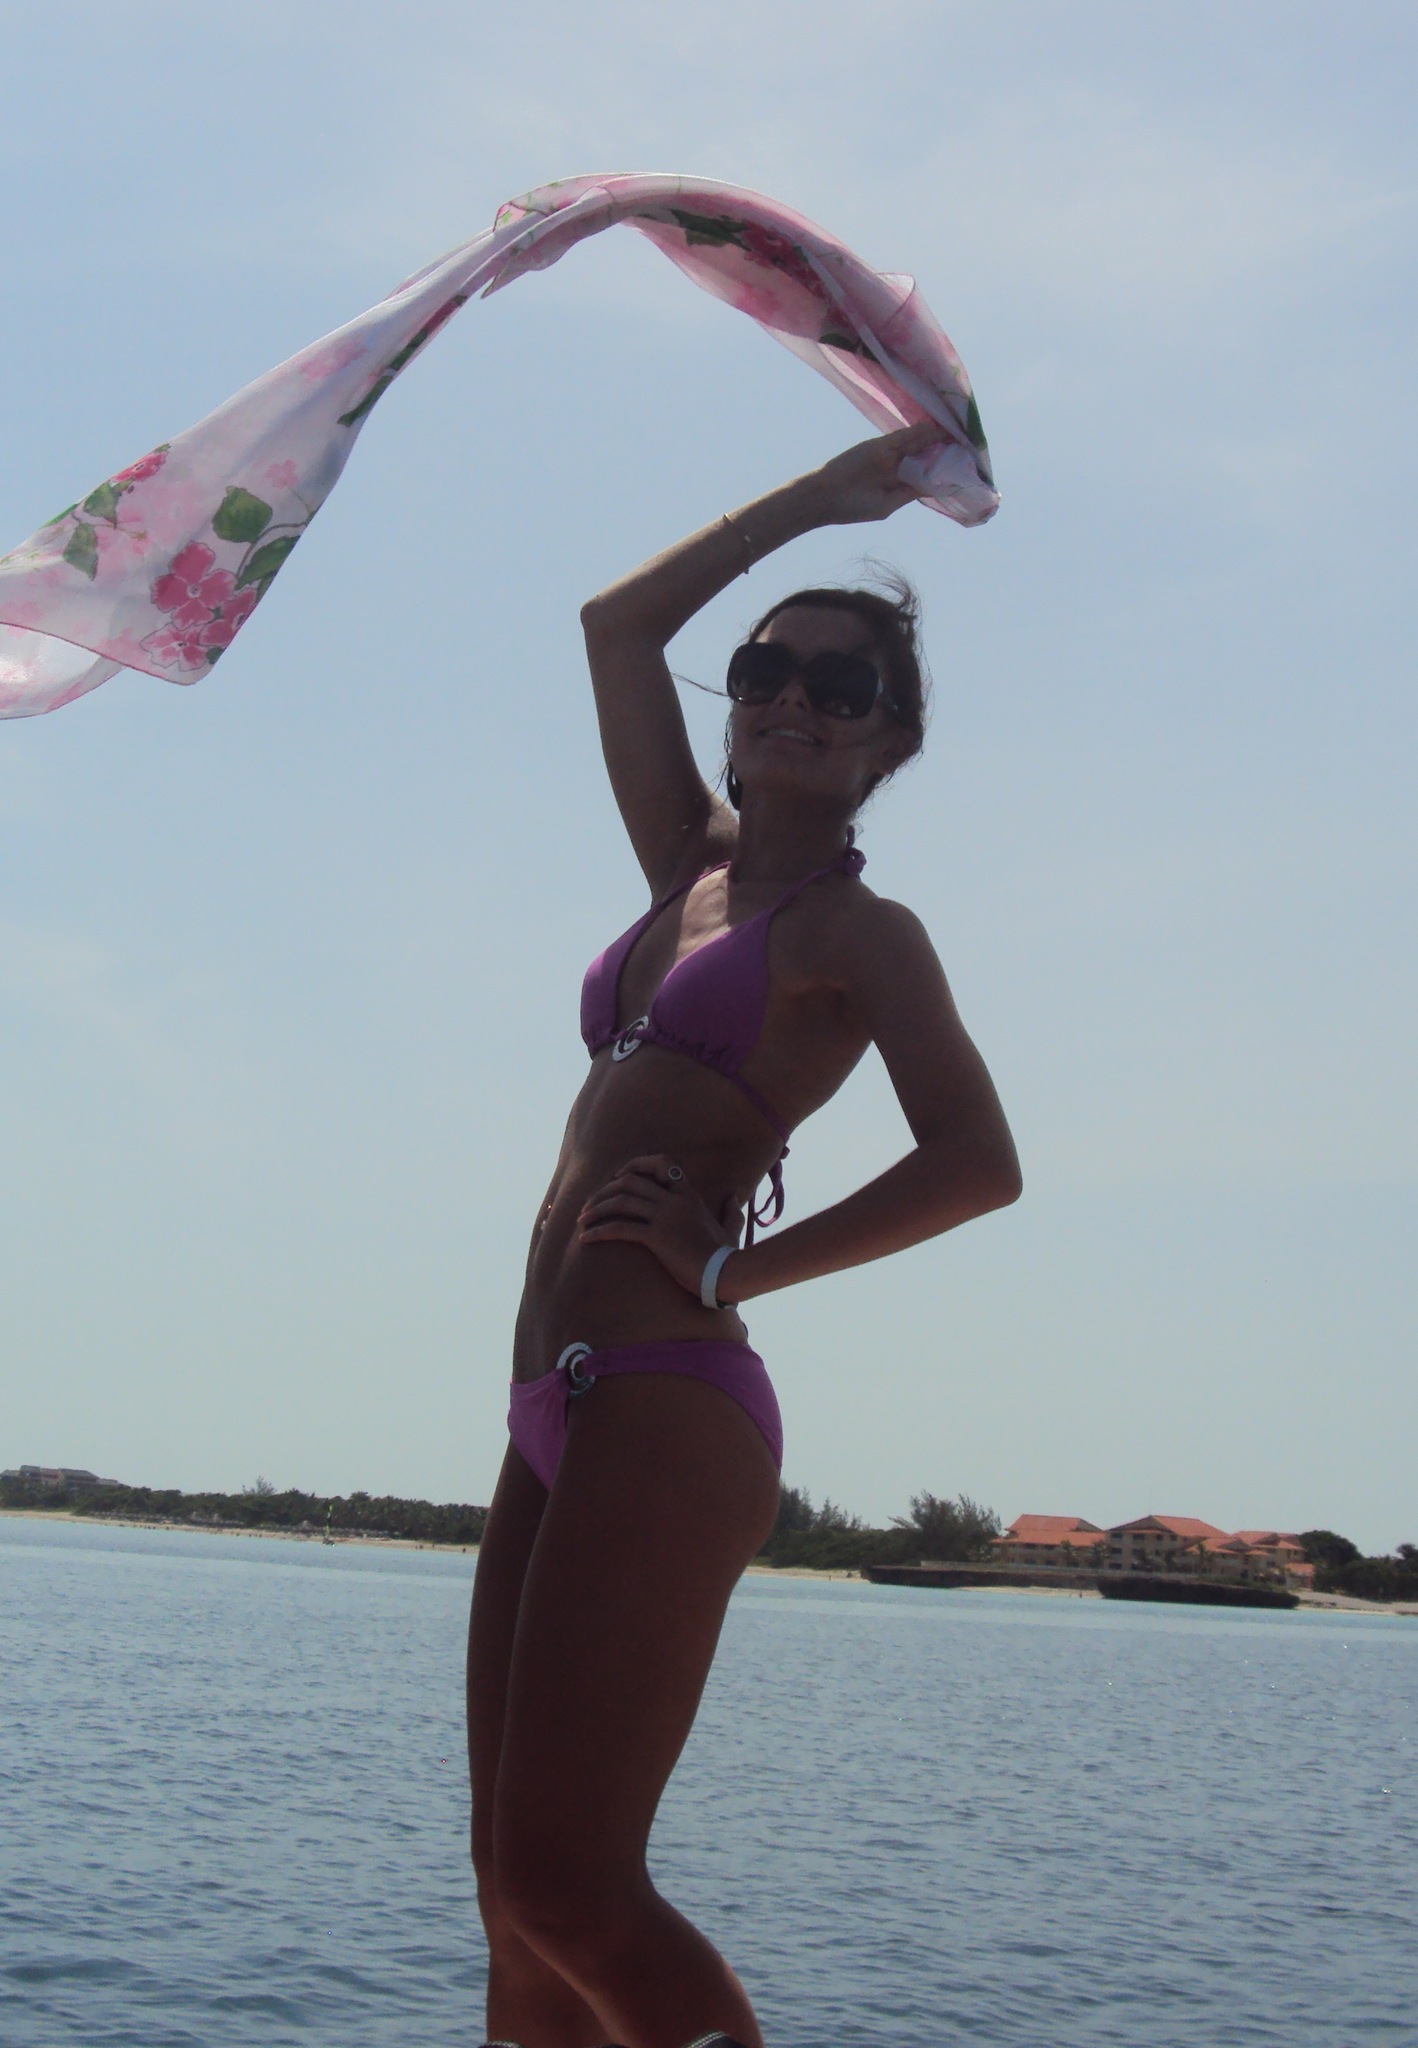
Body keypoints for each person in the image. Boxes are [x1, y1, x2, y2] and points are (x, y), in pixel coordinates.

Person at [466, 421, 1022, 2048]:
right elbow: (615, 627)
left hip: (666, 1391)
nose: (791, 697)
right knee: (512, 1900)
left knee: (573, 1884)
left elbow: (977, 1163)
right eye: (767, 669)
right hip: (553, 1397)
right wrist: (815, 502)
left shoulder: (861, 933)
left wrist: (731, 1269)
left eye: (840, 686)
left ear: (889, 739)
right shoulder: (684, 875)